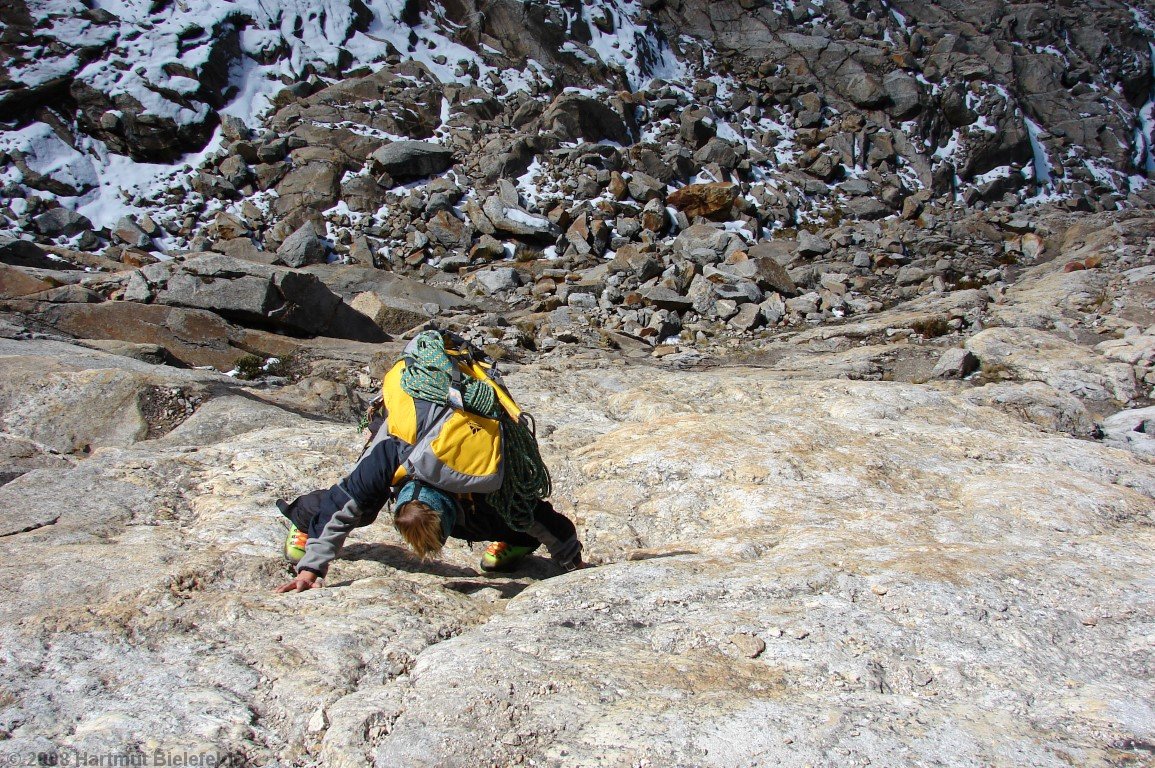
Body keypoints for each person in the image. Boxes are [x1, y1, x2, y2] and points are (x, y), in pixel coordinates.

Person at [273, 331, 583, 593]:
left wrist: (572, 562)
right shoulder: (390, 454)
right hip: (408, 431)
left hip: (456, 443)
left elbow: (535, 513)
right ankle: (304, 522)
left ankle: (518, 541)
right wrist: (311, 569)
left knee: (497, 516)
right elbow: (343, 503)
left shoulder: (480, 473)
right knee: (362, 510)